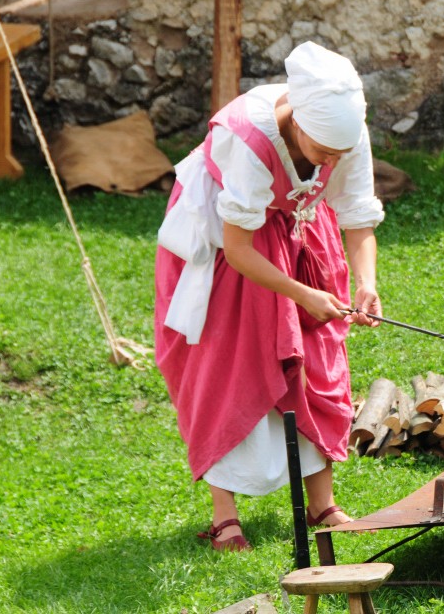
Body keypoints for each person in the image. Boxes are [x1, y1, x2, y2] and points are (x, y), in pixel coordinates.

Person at [153, 42, 384, 551]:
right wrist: (301, 293)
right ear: (297, 122)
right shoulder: (249, 140)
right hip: (230, 242)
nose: (330, 162)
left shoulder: (344, 131)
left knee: (316, 358)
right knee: (229, 362)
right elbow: (238, 247)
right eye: (323, 152)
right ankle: (225, 515)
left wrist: (365, 283)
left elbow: (358, 215)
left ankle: (322, 501)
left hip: (301, 231)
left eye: (338, 154)